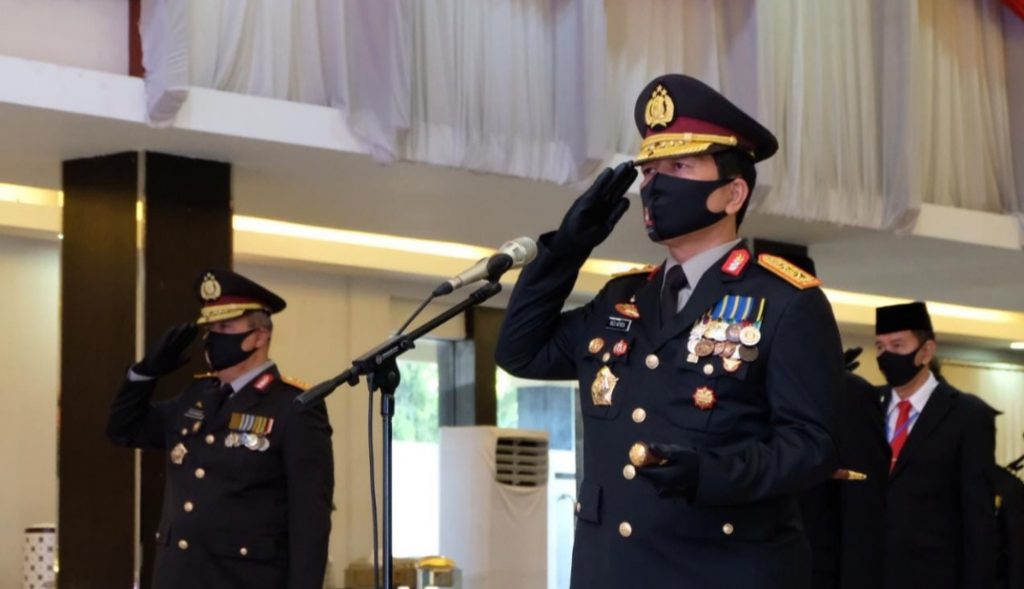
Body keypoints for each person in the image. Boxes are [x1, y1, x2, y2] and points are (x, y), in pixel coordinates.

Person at [495, 73, 844, 588]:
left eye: (679, 166)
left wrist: (711, 472)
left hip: (717, 570)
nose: (655, 184)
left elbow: (812, 447)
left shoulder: (786, 302)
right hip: (611, 571)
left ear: (733, 193)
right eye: (649, 170)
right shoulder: (621, 298)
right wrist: (567, 248)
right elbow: (521, 351)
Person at [107, 269, 334, 589]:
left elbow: (310, 520)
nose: (213, 338)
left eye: (225, 327)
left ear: (260, 336)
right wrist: (145, 373)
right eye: (210, 328)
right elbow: (123, 428)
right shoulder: (195, 397)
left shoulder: (294, 407)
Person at [875, 301, 996, 589]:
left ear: (926, 351)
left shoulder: (967, 414)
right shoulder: (866, 406)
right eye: (880, 347)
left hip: (935, 574)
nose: (886, 355)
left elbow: (977, 516)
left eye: (898, 345)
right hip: (871, 572)